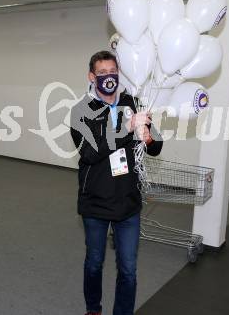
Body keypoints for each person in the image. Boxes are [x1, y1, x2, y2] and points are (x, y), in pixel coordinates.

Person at [70, 50, 163, 315]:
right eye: (101, 73)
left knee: (128, 269)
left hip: (128, 201)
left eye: (112, 72)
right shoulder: (80, 111)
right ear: (91, 76)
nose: (108, 77)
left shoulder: (133, 103)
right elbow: (90, 152)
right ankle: (93, 308)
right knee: (94, 263)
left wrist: (147, 137)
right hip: (95, 202)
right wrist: (126, 128)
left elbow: (156, 146)